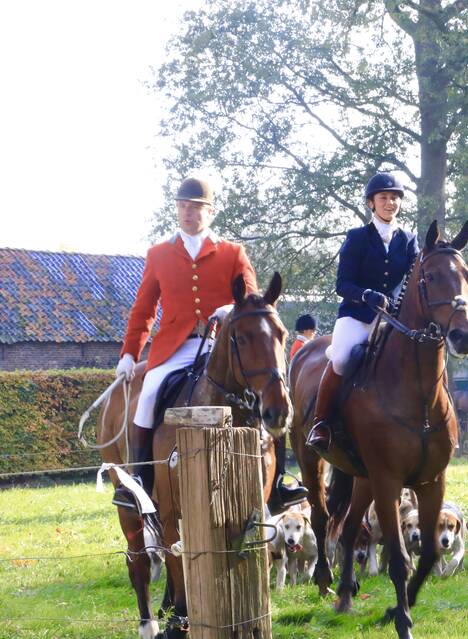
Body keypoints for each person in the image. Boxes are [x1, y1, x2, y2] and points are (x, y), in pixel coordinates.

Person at [114, 176, 306, 511]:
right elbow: (144, 309)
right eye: (183, 207)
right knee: (147, 395)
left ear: (210, 212)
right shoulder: (158, 254)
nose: (188, 213)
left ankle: (277, 484)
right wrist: (130, 353)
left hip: (224, 346)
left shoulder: (232, 252)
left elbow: (253, 300)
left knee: (267, 394)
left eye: (195, 207)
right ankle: (140, 482)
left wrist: (230, 308)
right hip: (176, 347)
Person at [306, 172, 419, 452]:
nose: (390, 203)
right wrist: (367, 295)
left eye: (394, 198)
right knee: (342, 358)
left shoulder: (408, 240)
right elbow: (342, 284)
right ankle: (321, 423)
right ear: (371, 203)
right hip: (357, 314)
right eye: (384, 198)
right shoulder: (357, 237)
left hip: (392, 319)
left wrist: (400, 302)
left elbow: (415, 277)